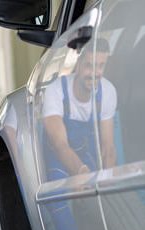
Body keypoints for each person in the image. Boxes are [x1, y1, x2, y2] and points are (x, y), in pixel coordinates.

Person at [42, 38, 117, 181]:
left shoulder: (108, 91)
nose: (95, 73)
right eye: (89, 65)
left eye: (101, 66)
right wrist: (82, 174)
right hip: (59, 163)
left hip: (89, 159)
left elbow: (108, 147)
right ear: (78, 63)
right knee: (60, 194)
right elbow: (60, 145)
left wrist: (108, 181)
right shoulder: (56, 90)